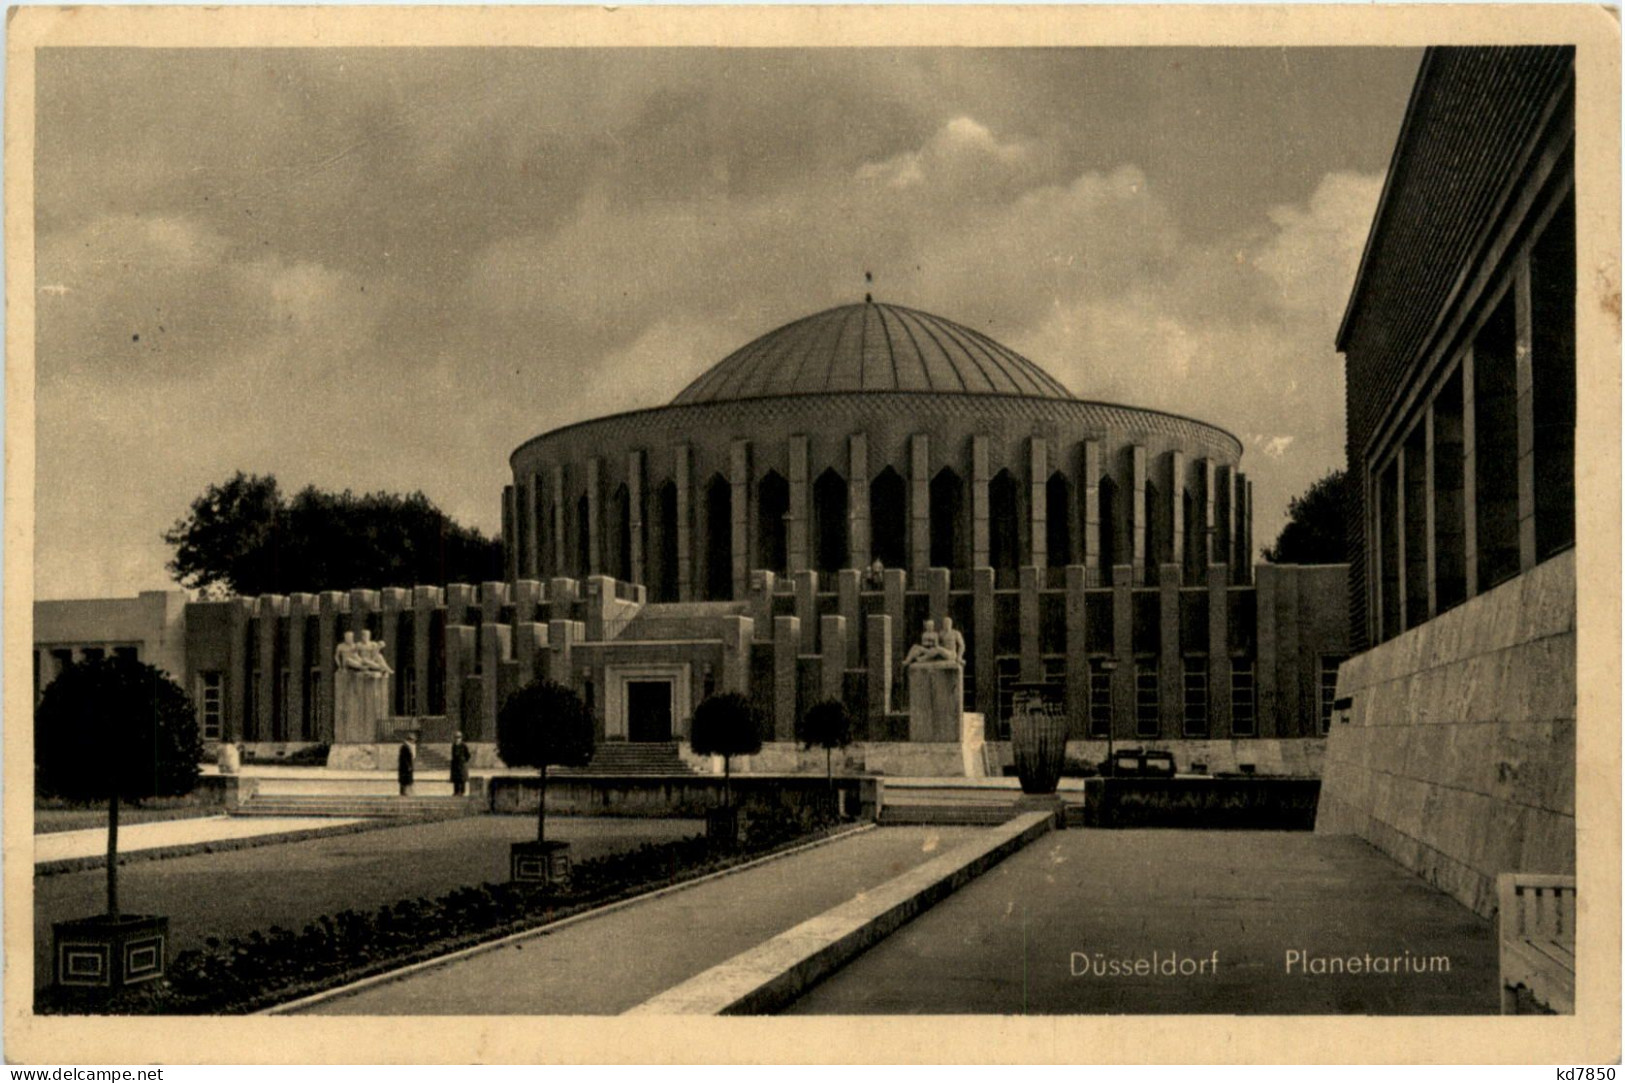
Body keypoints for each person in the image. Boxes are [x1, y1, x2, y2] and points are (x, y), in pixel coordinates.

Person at [450, 731, 471, 797]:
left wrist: (464, 760)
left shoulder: (463, 745)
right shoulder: (453, 746)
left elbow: (468, 755)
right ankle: (456, 791)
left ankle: (462, 791)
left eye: (458, 738)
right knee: (456, 779)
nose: (457, 739)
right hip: (455, 764)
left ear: (461, 738)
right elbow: (453, 754)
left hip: (462, 764)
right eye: (456, 738)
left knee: (462, 779)